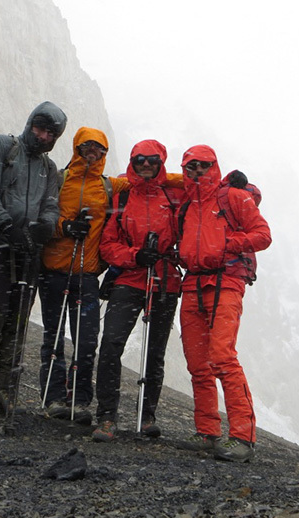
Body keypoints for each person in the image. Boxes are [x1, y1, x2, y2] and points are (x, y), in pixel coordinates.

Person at [0, 101, 66, 413]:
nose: (44, 136)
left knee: (19, 319)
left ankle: (6, 387)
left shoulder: (49, 169)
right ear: (30, 123)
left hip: (29, 251)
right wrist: (6, 226)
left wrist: (46, 227)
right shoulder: (1, 146)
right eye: (41, 128)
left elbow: (51, 205)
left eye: (51, 133)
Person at [175, 145, 271, 462]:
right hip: (193, 283)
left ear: (214, 166)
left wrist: (229, 244)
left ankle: (242, 437)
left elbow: (262, 234)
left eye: (203, 165)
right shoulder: (187, 202)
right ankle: (207, 432)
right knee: (198, 363)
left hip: (226, 282)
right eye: (191, 166)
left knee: (221, 356)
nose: (197, 171)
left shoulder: (231, 197)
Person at [92, 139, 183, 442]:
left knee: (154, 353)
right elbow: (108, 245)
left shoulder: (174, 195)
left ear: (161, 162)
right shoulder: (123, 196)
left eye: (152, 160)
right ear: (132, 161)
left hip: (164, 280)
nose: (146, 164)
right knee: (111, 346)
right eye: (140, 159)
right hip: (130, 279)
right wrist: (134, 257)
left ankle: (147, 416)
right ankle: (107, 415)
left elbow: (207, 189)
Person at [38, 127, 129, 425]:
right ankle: (53, 399)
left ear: (104, 153)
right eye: (87, 146)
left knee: (87, 341)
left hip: (86, 275)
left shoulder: (109, 186)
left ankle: (78, 400)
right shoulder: (59, 179)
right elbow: (40, 215)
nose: (93, 152)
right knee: (53, 338)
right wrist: (64, 227)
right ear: (77, 147)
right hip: (54, 271)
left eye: (99, 149)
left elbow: (147, 181)